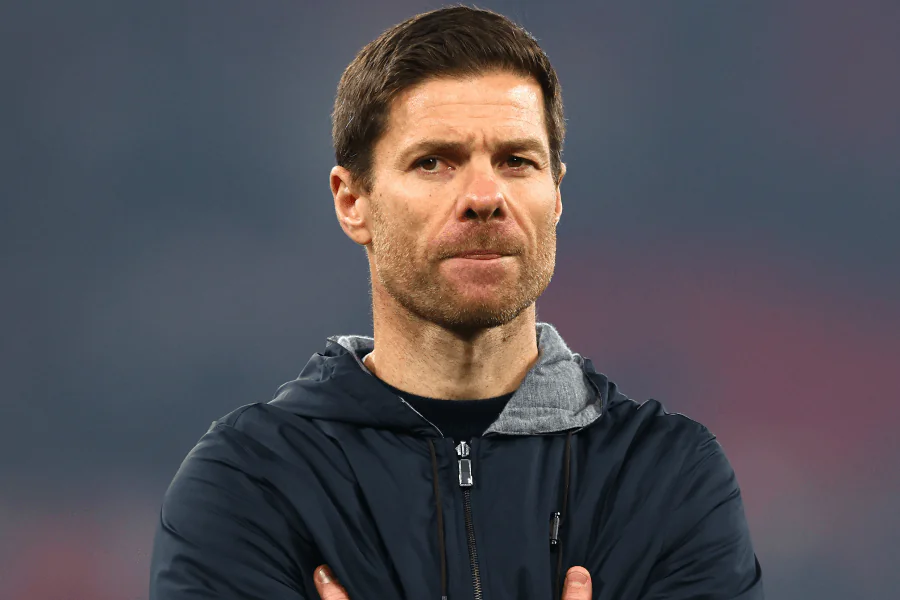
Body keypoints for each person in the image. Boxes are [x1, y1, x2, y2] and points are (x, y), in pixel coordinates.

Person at [149, 6, 764, 600]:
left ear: (555, 197)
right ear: (351, 201)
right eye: (434, 162)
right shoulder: (247, 484)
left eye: (516, 161)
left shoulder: (668, 478)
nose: (484, 196)